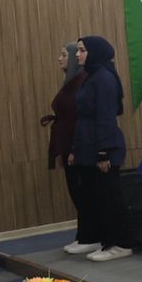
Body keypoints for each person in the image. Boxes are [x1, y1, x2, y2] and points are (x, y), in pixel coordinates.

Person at [69, 36, 136, 263]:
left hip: (103, 144)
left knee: (110, 198)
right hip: (87, 142)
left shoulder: (105, 78)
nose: (77, 55)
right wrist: (76, 149)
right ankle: (101, 238)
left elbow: (106, 116)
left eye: (82, 50)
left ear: (95, 52)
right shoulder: (91, 76)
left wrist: (104, 152)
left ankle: (120, 243)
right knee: (94, 195)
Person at [49, 43, 91, 254]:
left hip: (78, 143)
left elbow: (78, 118)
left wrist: (74, 148)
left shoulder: (81, 81)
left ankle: (90, 235)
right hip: (67, 142)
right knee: (76, 191)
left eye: (64, 54)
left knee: (83, 193)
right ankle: (83, 234)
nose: (60, 58)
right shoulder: (70, 81)